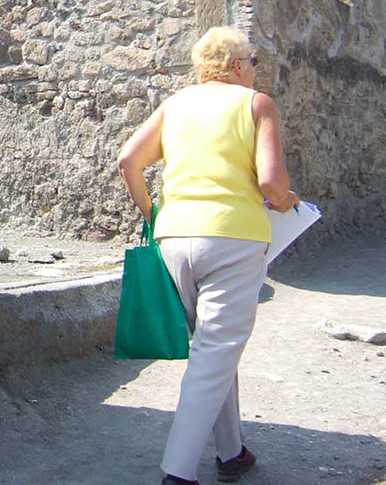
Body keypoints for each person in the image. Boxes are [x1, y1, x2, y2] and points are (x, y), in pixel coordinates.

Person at [117, 26, 299, 485]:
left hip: (175, 238)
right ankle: (177, 473)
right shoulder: (257, 104)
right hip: (234, 240)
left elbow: (128, 161)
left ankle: (231, 451)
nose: (256, 68)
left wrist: (152, 213)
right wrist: (289, 201)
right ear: (237, 65)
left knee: (215, 349)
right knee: (215, 351)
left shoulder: (174, 105)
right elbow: (272, 184)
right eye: (253, 60)